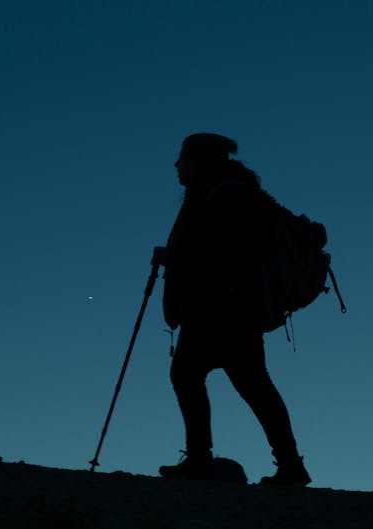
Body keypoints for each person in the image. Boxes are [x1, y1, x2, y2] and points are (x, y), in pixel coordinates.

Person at [155, 133, 310, 486]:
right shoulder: (227, 191)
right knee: (251, 385)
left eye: (184, 158)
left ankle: (201, 461)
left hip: (220, 308)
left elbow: (226, 250)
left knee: (193, 375)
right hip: (232, 309)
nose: (177, 165)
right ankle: (288, 464)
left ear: (201, 161)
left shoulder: (225, 195)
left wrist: (174, 257)